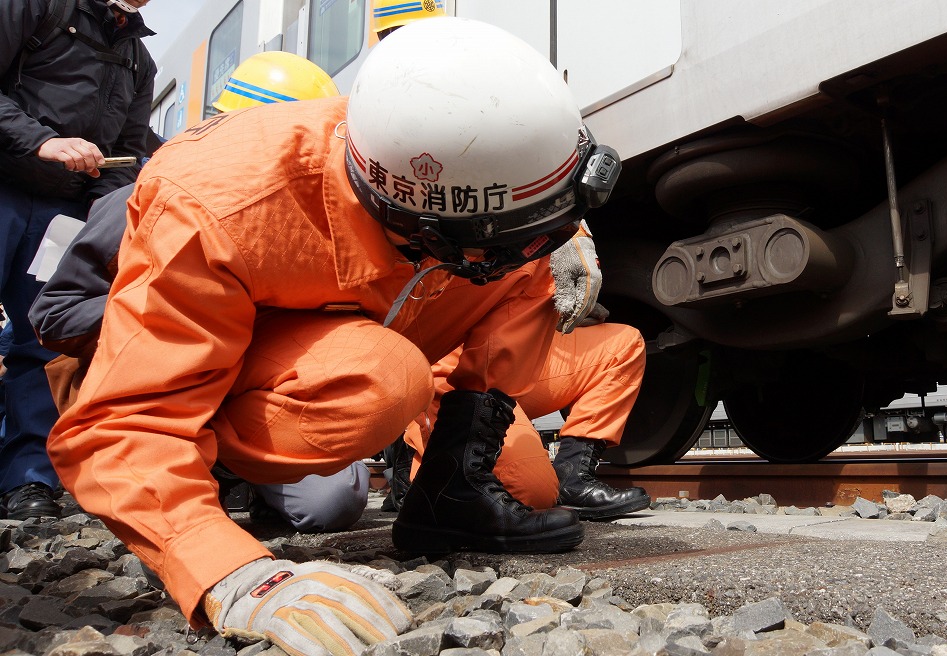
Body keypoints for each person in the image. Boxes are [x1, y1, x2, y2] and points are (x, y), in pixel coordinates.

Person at [47, 17, 618, 654]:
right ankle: (217, 471)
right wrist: (233, 575)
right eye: (507, 238)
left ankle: (448, 492)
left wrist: (567, 235)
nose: (540, 248)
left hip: (370, 344)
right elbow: (130, 422)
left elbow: (518, 239)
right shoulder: (214, 202)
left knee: (530, 483)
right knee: (379, 382)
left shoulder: (453, 154)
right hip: (248, 375)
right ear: (422, 230)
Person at [31, 51, 366, 534]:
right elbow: (56, 315)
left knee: (331, 503)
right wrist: (177, 301)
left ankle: (235, 469)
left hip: (245, 382)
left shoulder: (311, 222)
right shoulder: (139, 196)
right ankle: (157, 466)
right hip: (155, 387)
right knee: (163, 511)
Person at [373, 0, 651, 523]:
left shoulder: (489, 118)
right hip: (448, 366)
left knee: (622, 345)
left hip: (503, 354)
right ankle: (417, 469)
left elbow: (544, 178)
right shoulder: (383, 141)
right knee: (530, 491)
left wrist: (572, 236)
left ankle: (577, 474)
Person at [0, 0, 156, 521]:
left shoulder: (139, 58)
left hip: (62, 214)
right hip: (4, 184)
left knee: (42, 342)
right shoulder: (36, 6)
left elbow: (129, 149)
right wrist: (41, 141)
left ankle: (28, 480)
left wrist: (105, 207)